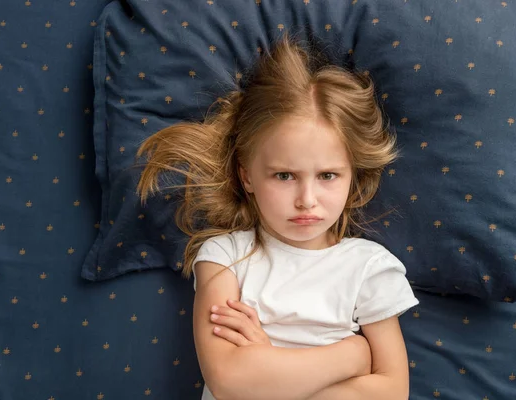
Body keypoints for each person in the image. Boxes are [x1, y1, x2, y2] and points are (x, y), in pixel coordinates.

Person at [136, 33, 419, 400]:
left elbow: (393, 391)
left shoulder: (369, 268)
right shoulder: (224, 258)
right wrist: (352, 355)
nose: (306, 200)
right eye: (284, 176)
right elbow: (229, 380)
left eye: (328, 176)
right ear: (247, 175)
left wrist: (266, 364)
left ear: (353, 176)